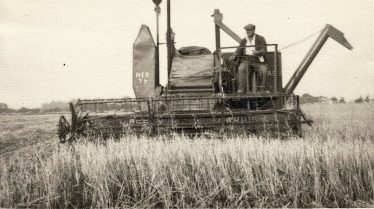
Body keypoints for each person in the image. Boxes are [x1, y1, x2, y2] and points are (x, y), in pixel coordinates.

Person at [229, 24, 269, 93]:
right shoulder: (243, 40)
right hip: (247, 60)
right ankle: (242, 89)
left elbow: (264, 50)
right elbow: (239, 50)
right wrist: (234, 55)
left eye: (250, 30)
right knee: (241, 68)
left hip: (257, 60)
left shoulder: (261, 38)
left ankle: (263, 89)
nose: (248, 32)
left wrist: (258, 52)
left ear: (254, 30)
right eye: (247, 31)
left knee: (264, 70)